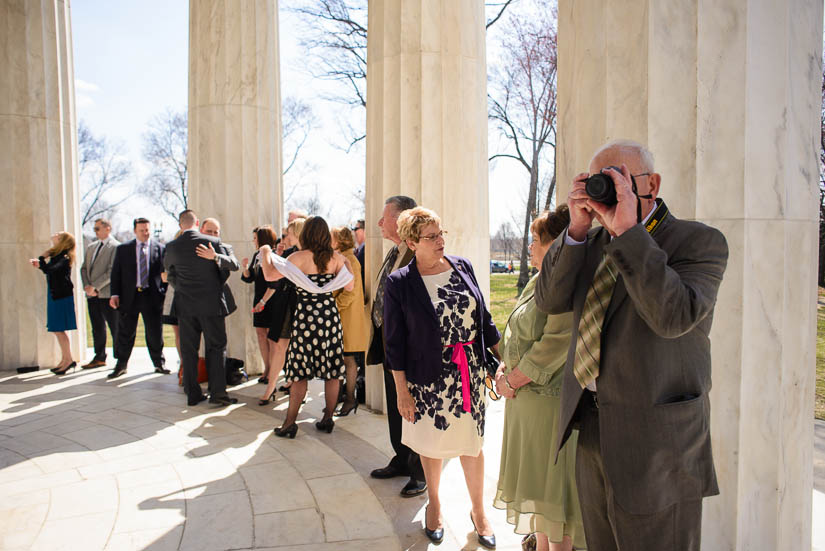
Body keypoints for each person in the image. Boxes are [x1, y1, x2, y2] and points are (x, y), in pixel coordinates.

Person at [535, 140, 728, 551]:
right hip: (591, 430)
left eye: (617, 179)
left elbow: (672, 317)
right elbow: (548, 301)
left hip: (658, 444)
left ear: (651, 185)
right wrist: (575, 230)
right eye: (596, 182)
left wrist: (627, 231)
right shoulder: (588, 244)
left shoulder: (698, 242)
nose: (605, 190)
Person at [384, 206, 501, 548]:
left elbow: (484, 318)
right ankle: (434, 504)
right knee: (432, 446)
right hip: (427, 379)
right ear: (411, 242)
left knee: (471, 445)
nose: (440, 241)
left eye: (441, 233)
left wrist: (501, 359)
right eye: (431, 237)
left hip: (469, 373)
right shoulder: (400, 283)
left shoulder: (462, 266)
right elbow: (394, 343)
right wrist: (401, 392)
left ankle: (478, 512)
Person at [493, 205, 585, 551]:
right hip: (525, 406)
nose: (529, 246)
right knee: (539, 507)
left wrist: (512, 380)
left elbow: (554, 344)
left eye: (536, 240)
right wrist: (504, 366)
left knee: (553, 506)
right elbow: (521, 331)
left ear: (557, 244)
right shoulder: (538, 278)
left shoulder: (567, 283)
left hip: (548, 408)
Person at [259, 216, 355, 438]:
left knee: (300, 371)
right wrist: (347, 265)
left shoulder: (298, 257)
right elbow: (349, 286)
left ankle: (289, 423)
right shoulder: (337, 259)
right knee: (332, 371)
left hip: (305, 318)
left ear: (306, 235)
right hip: (329, 319)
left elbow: (269, 275)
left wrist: (265, 252)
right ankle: (328, 419)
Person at [367, 195, 427, 498]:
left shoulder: (418, 253)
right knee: (395, 406)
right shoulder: (395, 252)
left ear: (402, 218)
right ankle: (402, 459)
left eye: (384, 216)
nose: (379, 223)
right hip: (388, 341)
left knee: (411, 406)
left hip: (409, 347)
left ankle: (419, 472)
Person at [164, 210, 240, 407]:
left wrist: (182, 289)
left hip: (185, 306)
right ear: (197, 223)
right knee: (216, 348)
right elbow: (228, 272)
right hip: (211, 305)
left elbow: (170, 275)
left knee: (189, 350)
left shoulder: (171, 246)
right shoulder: (212, 243)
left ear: (181, 224)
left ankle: (192, 393)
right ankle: (218, 394)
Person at [108, 217, 167, 379]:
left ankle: (159, 363)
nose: (145, 233)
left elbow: (166, 273)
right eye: (142, 230)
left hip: (152, 296)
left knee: (155, 332)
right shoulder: (123, 249)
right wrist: (115, 294)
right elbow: (116, 274)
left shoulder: (160, 248)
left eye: (147, 230)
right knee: (125, 332)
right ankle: (121, 364)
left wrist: (163, 291)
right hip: (129, 297)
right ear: (135, 231)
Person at [257, 216, 304, 393]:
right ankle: (271, 387)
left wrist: (266, 253)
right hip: (285, 303)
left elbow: (270, 276)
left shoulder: (306, 254)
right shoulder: (288, 253)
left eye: (288, 233)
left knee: (296, 349)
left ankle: (296, 386)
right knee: (279, 345)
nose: (285, 236)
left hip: (300, 305)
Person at [330, 226, 368, 416]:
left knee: (349, 359)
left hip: (347, 317)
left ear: (339, 240)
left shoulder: (349, 259)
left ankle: (350, 399)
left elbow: (350, 291)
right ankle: (341, 398)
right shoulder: (344, 257)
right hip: (345, 317)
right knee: (344, 359)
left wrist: (333, 306)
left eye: (331, 237)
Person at [240, 225, 280, 404]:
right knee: (260, 334)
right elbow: (250, 279)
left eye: (255, 238)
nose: (253, 241)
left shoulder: (271, 255)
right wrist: (245, 269)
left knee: (272, 338)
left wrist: (263, 303)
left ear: (262, 239)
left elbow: (274, 284)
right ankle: (267, 369)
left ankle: (273, 373)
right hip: (259, 300)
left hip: (270, 301)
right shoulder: (257, 255)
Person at [29, 231, 78, 375]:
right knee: (57, 329)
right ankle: (66, 359)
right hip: (55, 295)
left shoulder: (64, 256)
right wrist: (43, 259)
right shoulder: (57, 255)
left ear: (62, 240)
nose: (55, 234)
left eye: (58, 234)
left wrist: (42, 260)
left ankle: (68, 360)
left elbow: (51, 270)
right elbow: (49, 270)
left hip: (61, 297)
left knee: (58, 329)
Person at [79, 218, 120, 369]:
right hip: (92, 295)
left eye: (97, 228)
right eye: (94, 229)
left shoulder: (116, 246)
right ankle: (99, 356)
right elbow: (83, 268)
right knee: (97, 327)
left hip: (107, 294)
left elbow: (112, 271)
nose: (95, 231)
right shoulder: (91, 247)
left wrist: (96, 287)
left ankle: (120, 357)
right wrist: (87, 286)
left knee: (115, 326)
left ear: (107, 228)